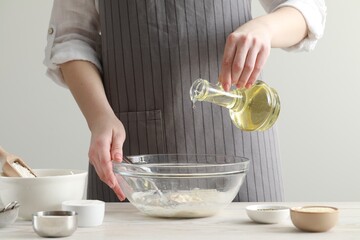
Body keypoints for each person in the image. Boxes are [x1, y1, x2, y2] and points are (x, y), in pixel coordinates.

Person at [44, 0, 326, 202]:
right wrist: (99, 117)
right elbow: (72, 37)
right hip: (136, 155)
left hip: (240, 147)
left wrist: (266, 28)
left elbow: (309, 9)